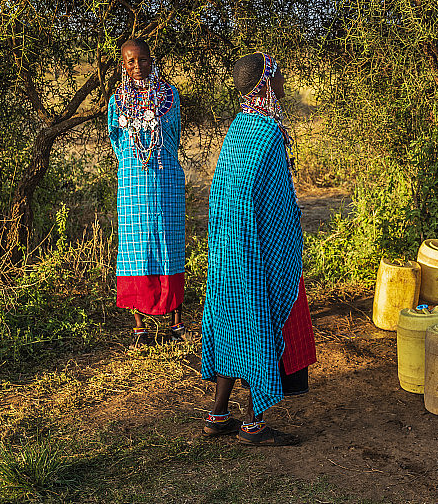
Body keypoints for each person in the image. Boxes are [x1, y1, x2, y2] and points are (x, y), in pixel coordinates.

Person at [200, 52, 309, 446]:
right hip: (257, 247)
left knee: (231, 322)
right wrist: (287, 244)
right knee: (258, 323)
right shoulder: (267, 133)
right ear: (266, 83)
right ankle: (253, 424)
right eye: (278, 75)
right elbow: (277, 203)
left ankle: (217, 414)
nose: (283, 81)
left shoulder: (239, 128)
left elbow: (233, 193)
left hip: (227, 247)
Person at [108, 39, 186, 347]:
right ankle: (139, 326)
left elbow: (174, 135)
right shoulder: (117, 100)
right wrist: (133, 161)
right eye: (130, 61)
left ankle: (176, 323)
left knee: (170, 243)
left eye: (142, 59)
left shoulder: (169, 95)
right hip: (132, 182)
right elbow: (116, 140)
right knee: (135, 248)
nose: (136, 65)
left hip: (165, 177)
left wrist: (157, 158)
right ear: (123, 65)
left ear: (151, 59)